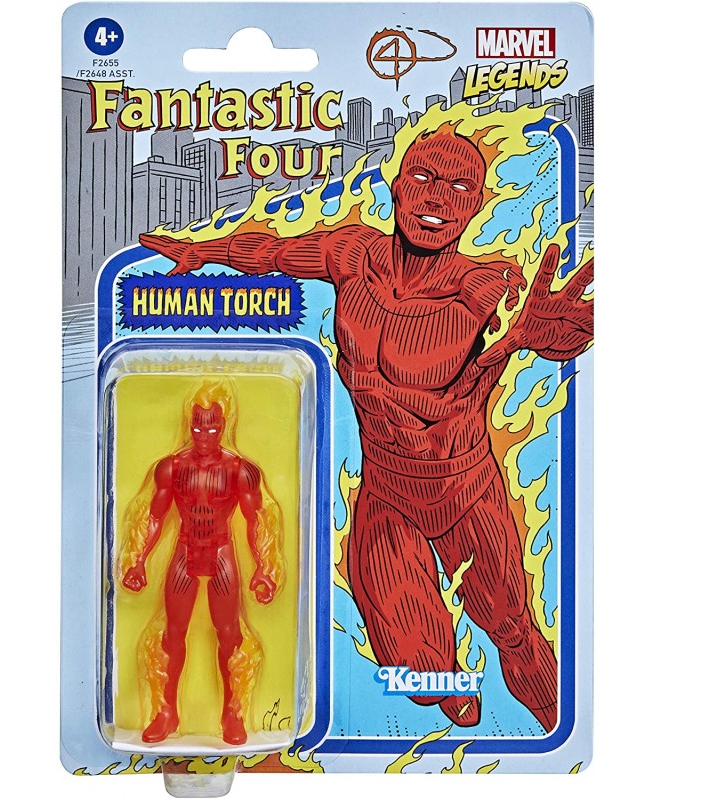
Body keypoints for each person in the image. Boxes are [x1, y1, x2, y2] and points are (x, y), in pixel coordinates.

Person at [139, 128, 593, 733]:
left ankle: (560, 727)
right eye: (425, 178)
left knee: (512, 630)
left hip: (464, 492)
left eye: (460, 187)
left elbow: (549, 334)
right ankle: (447, 689)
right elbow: (272, 253)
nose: (438, 198)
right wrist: (207, 252)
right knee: (409, 660)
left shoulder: (487, 288)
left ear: (479, 205)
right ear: (396, 185)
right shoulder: (354, 255)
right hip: (387, 492)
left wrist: (554, 334)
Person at [122, 397, 278, 745]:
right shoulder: (171, 468)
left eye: (211, 428)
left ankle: (233, 713)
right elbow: (154, 516)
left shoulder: (239, 470)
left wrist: (264, 567)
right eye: (197, 427)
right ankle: (166, 712)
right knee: (172, 635)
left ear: (223, 426)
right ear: (189, 426)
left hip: (221, 553)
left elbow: (256, 520)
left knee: (230, 636)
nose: (204, 435)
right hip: (185, 552)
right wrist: (138, 559)